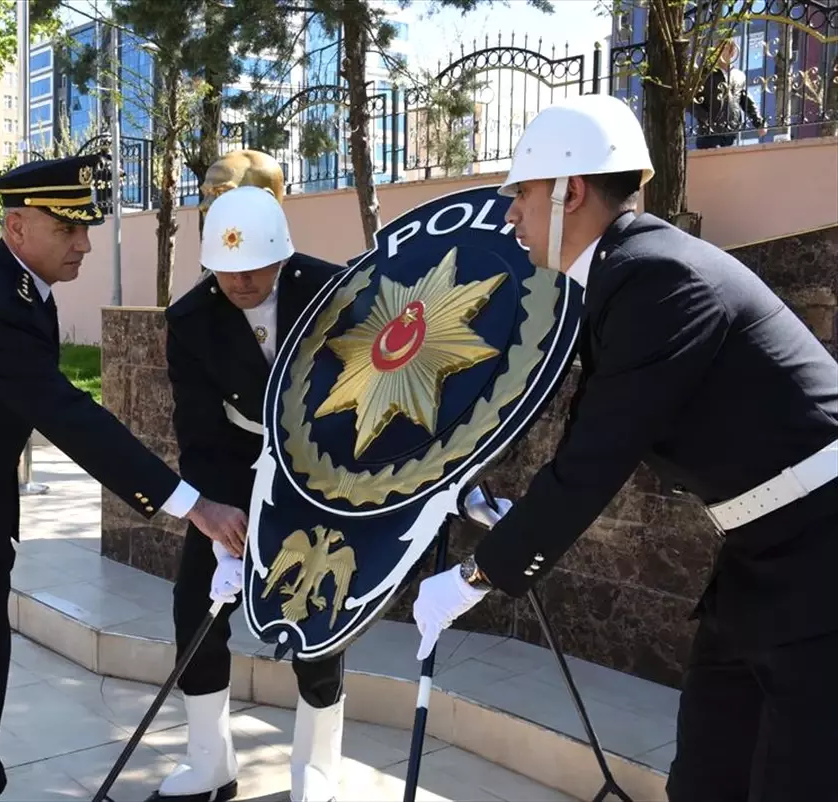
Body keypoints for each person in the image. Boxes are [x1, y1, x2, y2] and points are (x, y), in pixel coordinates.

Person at [409, 93, 838, 802]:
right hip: (762, 556)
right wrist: (511, 514)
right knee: (705, 775)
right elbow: (589, 435)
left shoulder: (658, 277)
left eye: (522, 192)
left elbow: (594, 461)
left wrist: (476, 576)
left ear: (571, 191)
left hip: (821, 557)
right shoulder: (625, 274)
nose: (511, 212)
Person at [0, 154, 249, 802]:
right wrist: (192, 504)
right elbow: (69, 415)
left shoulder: (12, 284)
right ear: (17, 229)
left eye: (85, 228)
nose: (85, 243)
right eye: (69, 229)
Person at [151, 183, 348, 802]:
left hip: (319, 464)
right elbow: (198, 430)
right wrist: (218, 519)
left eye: (254, 268)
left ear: (283, 257)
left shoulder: (333, 289)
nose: (240, 283)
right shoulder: (190, 319)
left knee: (316, 606)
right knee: (196, 604)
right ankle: (210, 760)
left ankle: (316, 767)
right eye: (226, 271)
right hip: (233, 463)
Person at [692, 38, 766, 149]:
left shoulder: (739, 75)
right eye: (718, 48)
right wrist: (706, 120)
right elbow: (692, 101)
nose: (719, 51)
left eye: (724, 48)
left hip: (731, 133)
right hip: (709, 134)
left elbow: (746, 100)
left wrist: (759, 123)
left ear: (732, 52)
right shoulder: (705, 74)